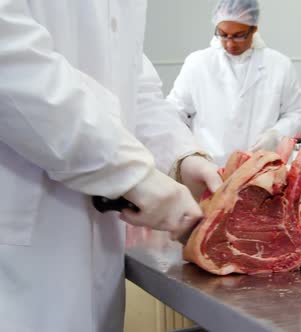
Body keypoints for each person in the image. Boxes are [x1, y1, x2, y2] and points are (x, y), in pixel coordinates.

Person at [0, 2, 221, 331]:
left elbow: (135, 87)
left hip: (98, 252)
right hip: (22, 254)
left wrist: (180, 155)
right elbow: (13, 65)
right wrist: (131, 172)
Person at [167, 0, 301, 166]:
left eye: (239, 35)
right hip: (211, 167)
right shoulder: (197, 63)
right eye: (223, 34)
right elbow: (174, 112)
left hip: (262, 168)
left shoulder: (279, 65)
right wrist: (189, 151)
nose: (230, 43)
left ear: (254, 29)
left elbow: (295, 113)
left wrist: (276, 135)